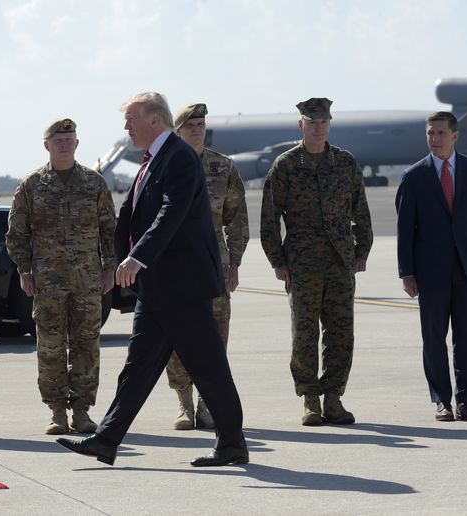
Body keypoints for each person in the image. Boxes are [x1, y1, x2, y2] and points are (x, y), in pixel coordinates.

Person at [57, 92, 247, 467]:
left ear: (154, 121)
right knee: (138, 366)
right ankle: (107, 440)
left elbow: (170, 212)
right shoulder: (154, 158)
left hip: (181, 285)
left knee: (207, 366)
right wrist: (114, 261)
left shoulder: (178, 157)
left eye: (131, 120)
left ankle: (231, 443)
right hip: (158, 287)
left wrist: (137, 257)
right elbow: (130, 214)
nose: (126, 127)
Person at [260, 97, 373, 426]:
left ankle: (334, 397)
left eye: (323, 121)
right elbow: (270, 219)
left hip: (340, 261)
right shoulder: (286, 165)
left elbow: (360, 210)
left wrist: (361, 251)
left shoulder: (344, 162)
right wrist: (277, 261)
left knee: (341, 332)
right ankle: (310, 398)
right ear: (301, 125)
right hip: (302, 262)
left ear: (329, 124)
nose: (318, 127)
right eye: (312, 122)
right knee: (305, 333)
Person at [6, 118, 117, 434]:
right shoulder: (32, 185)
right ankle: (56, 411)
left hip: (87, 281)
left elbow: (109, 228)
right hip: (48, 282)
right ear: (47, 145)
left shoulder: (93, 183)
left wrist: (109, 267)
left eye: (70, 139)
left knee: (86, 347)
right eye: (58, 140)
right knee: (51, 347)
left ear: (77, 144)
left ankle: (81, 411)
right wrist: (25, 271)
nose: (64, 144)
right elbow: (16, 233)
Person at [395, 111, 467, 421]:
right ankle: (442, 400)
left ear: (455, 136)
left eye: (440, 133)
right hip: (430, 272)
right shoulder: (414, 176)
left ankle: (466, 400)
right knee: (434, 338)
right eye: (430, 134)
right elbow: (405, 230)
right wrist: (406, 271)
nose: (434, 139)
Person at [167, 103, 249, 430]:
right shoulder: (165, 165)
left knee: (215, 338)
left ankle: (207, 404)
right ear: (178, 130)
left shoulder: (223, 167)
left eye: (201, 123)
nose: (197, 128)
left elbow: (237, 218)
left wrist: (235, 262)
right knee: (177, 337)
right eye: (190, 124)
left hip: (214, 264)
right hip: (174, 265)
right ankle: (184, 404)